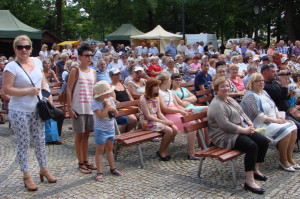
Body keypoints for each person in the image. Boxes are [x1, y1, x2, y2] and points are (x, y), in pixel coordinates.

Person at [3, 35, 57, 191]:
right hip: (19, 110)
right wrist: (28, 91)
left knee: (40, 140)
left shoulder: (37, 61)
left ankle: (44, 169)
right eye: (20, 47)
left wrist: (48, 96)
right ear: (15, 49)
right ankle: (26, 175)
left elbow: (42, 81)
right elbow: (7, 90)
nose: (24, 50)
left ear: (31, 48)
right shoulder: (11, 67)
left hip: (37, 108)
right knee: (24, 143)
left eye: (26, 47)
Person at [208, 76, 269, 195]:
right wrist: (244, 130)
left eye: (227, 86)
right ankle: (249, 181)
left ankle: (255, 169)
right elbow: (225, 125)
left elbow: (242, 112)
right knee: (251, 146)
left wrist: (249, 123)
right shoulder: (216, 104)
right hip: (224, 136)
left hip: (238, 129)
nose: (226, 88)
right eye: (222, 87)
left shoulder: (229, 99)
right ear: (216, 90)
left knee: (263, 141)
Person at [240, 73, 299, 172]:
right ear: (252, 83)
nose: (261, 82)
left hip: (273, 120)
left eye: (262, 80)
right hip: (260, 125)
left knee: (293, 127)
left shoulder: (264, 92)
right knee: (286, 130)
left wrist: (279, 116)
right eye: (258, 81)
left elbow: (274, 105)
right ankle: (283, 160)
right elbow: (258, 116)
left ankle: (289, 158)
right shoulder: (250, 95)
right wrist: (276, 120)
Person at [66, 44, 97, 174]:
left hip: (90, 108)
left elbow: (94, 91)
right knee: (79, 136)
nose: (89, 58)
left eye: (91, 55)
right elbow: (68, 89)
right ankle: (80, 162)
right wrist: (70, 108)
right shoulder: (75, 70)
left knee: (86, 136)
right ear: (80, 57)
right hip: (78, 107)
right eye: (86, 55)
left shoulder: (93, 72)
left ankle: (85, 160)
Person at [158, 74, 199, 159]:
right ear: (166, 82)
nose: (170, 83)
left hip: (175, 113)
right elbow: (164, 109)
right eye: (169, 81)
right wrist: (180, 111)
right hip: (167, 115)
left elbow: (177, 105)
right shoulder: (159, 93)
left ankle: (191, 151)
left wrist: (185, 111)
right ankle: (191, 153)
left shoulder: (169, 92)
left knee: (193, 122)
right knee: (191, 123)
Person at [92, 81, 124, 182]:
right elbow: (101, 116)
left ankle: (112, 168)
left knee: (110, 149)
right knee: (100, 150)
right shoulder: (95, 103)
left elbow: (116, 112)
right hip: (100, 129)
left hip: (110, 128)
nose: (110, 94)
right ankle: (99, 172)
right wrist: (107, 106)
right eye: (107, 92)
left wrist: (111, 107)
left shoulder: (109, 99)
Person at [138, 78, 178, 161]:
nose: (157, 88)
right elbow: (148, 116)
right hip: (147, 121)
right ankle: (161, 151)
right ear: (150, 87)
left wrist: (167, 121)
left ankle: (164, 149)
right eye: (155, 86)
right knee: (169, 130)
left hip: (155, 120)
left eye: (157, 86)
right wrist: (163, 121)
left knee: (174, 129)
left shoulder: (156, 98)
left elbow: (159, 113)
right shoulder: (143, 99)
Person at [110, 68, 137, 133]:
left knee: (141, 115)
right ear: (111, 76)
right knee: (133, 119)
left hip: (128, 107)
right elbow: (115, 101)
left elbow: (130, 96)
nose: (118, 75)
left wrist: (133, 104)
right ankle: (124, 134)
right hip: (121, 108)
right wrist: (127, 106)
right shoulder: (111, 87)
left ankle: (127, 133)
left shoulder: (123, 85)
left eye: (119, 74)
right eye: (116, 74)